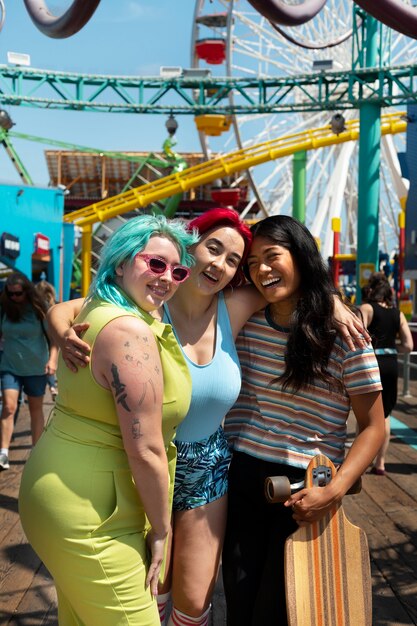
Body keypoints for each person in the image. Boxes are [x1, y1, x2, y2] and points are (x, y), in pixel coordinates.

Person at [48, 209, 369, 626]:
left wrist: (338, 304)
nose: (220, 264)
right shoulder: (149, 301)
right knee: (147, 594)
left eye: (234, 260)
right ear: (189, 248)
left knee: (195, 603)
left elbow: (294, 286)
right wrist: (58, 328)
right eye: (212, 249)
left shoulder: (234, 306)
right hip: (142, 464)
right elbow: (67, 309)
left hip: (208, 466)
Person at [18, 215, 198, 626]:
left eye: (177, 270)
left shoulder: (104, 305)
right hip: (92, 512)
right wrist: (161, 530)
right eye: (154, 264)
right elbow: (147, 447)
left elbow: (62, 308)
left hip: (68, 491)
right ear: (120, 262)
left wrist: (57, 325)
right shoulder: (129, 331)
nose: (166, 277)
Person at [222, 215, 385, 626]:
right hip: (240, 477)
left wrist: (336, 490)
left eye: (273, 256)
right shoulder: (245, 323)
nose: (261, 269)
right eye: (253, 262)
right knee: (240, 606)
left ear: (302, 256)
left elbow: (374, 427)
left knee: (286, 610)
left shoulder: (345, 335)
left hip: (305, 490)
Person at [0, 272, 58, 471]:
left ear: (27, 291)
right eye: (11, 294)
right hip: (10, 366)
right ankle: (3, 452)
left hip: (36, 367)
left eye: (18, 293)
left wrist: (52, 360)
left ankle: (36, 451)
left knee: (35, 409)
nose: (15, 297)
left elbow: (53, 339)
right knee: (8, 407)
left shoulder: (38, 309)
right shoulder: (4, 309)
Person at [360, 272, 413, 475]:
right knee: (385, 414)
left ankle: (362, 462)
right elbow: (408, 345)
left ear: (371, 290)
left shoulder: (366, 308)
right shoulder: (397, 313)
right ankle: (380, 463)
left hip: (371, 363)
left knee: (366, 414)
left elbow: (359, 335)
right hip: (391, 363)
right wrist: (392, 348)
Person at [35, 280, 59, 400]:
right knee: (50, 366)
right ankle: (53, 387)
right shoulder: (57, 306)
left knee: (47, 365)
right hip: (56, 342)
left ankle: (52, 386)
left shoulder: (38, 309)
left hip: (42, 343)